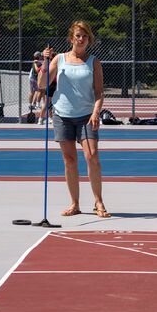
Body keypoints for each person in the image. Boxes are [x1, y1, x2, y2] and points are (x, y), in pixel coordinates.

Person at [41, 21, 111, 218]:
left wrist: (96, 112)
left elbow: (99, 92)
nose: (81, 39)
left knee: (92, 156)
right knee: (69, 160)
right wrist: (45, 63)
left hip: (86, 116)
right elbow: (41, 84)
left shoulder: (94, 62)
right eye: (78, 36)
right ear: (71, 38)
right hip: (62, 115)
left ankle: (98, 201)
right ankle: (75, 203)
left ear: (89, 39)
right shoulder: (59, 59)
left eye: (85, 36)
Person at [27, 51, 44, 123]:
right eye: (40, 56)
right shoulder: (36, 61)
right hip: (34, 78)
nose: (41, 57)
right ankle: (34, 104)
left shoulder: (39, 61)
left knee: (38, 91)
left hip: (35, 78)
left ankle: (33, 104)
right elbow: (37, 70)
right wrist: (42, 65)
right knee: (37, 91)